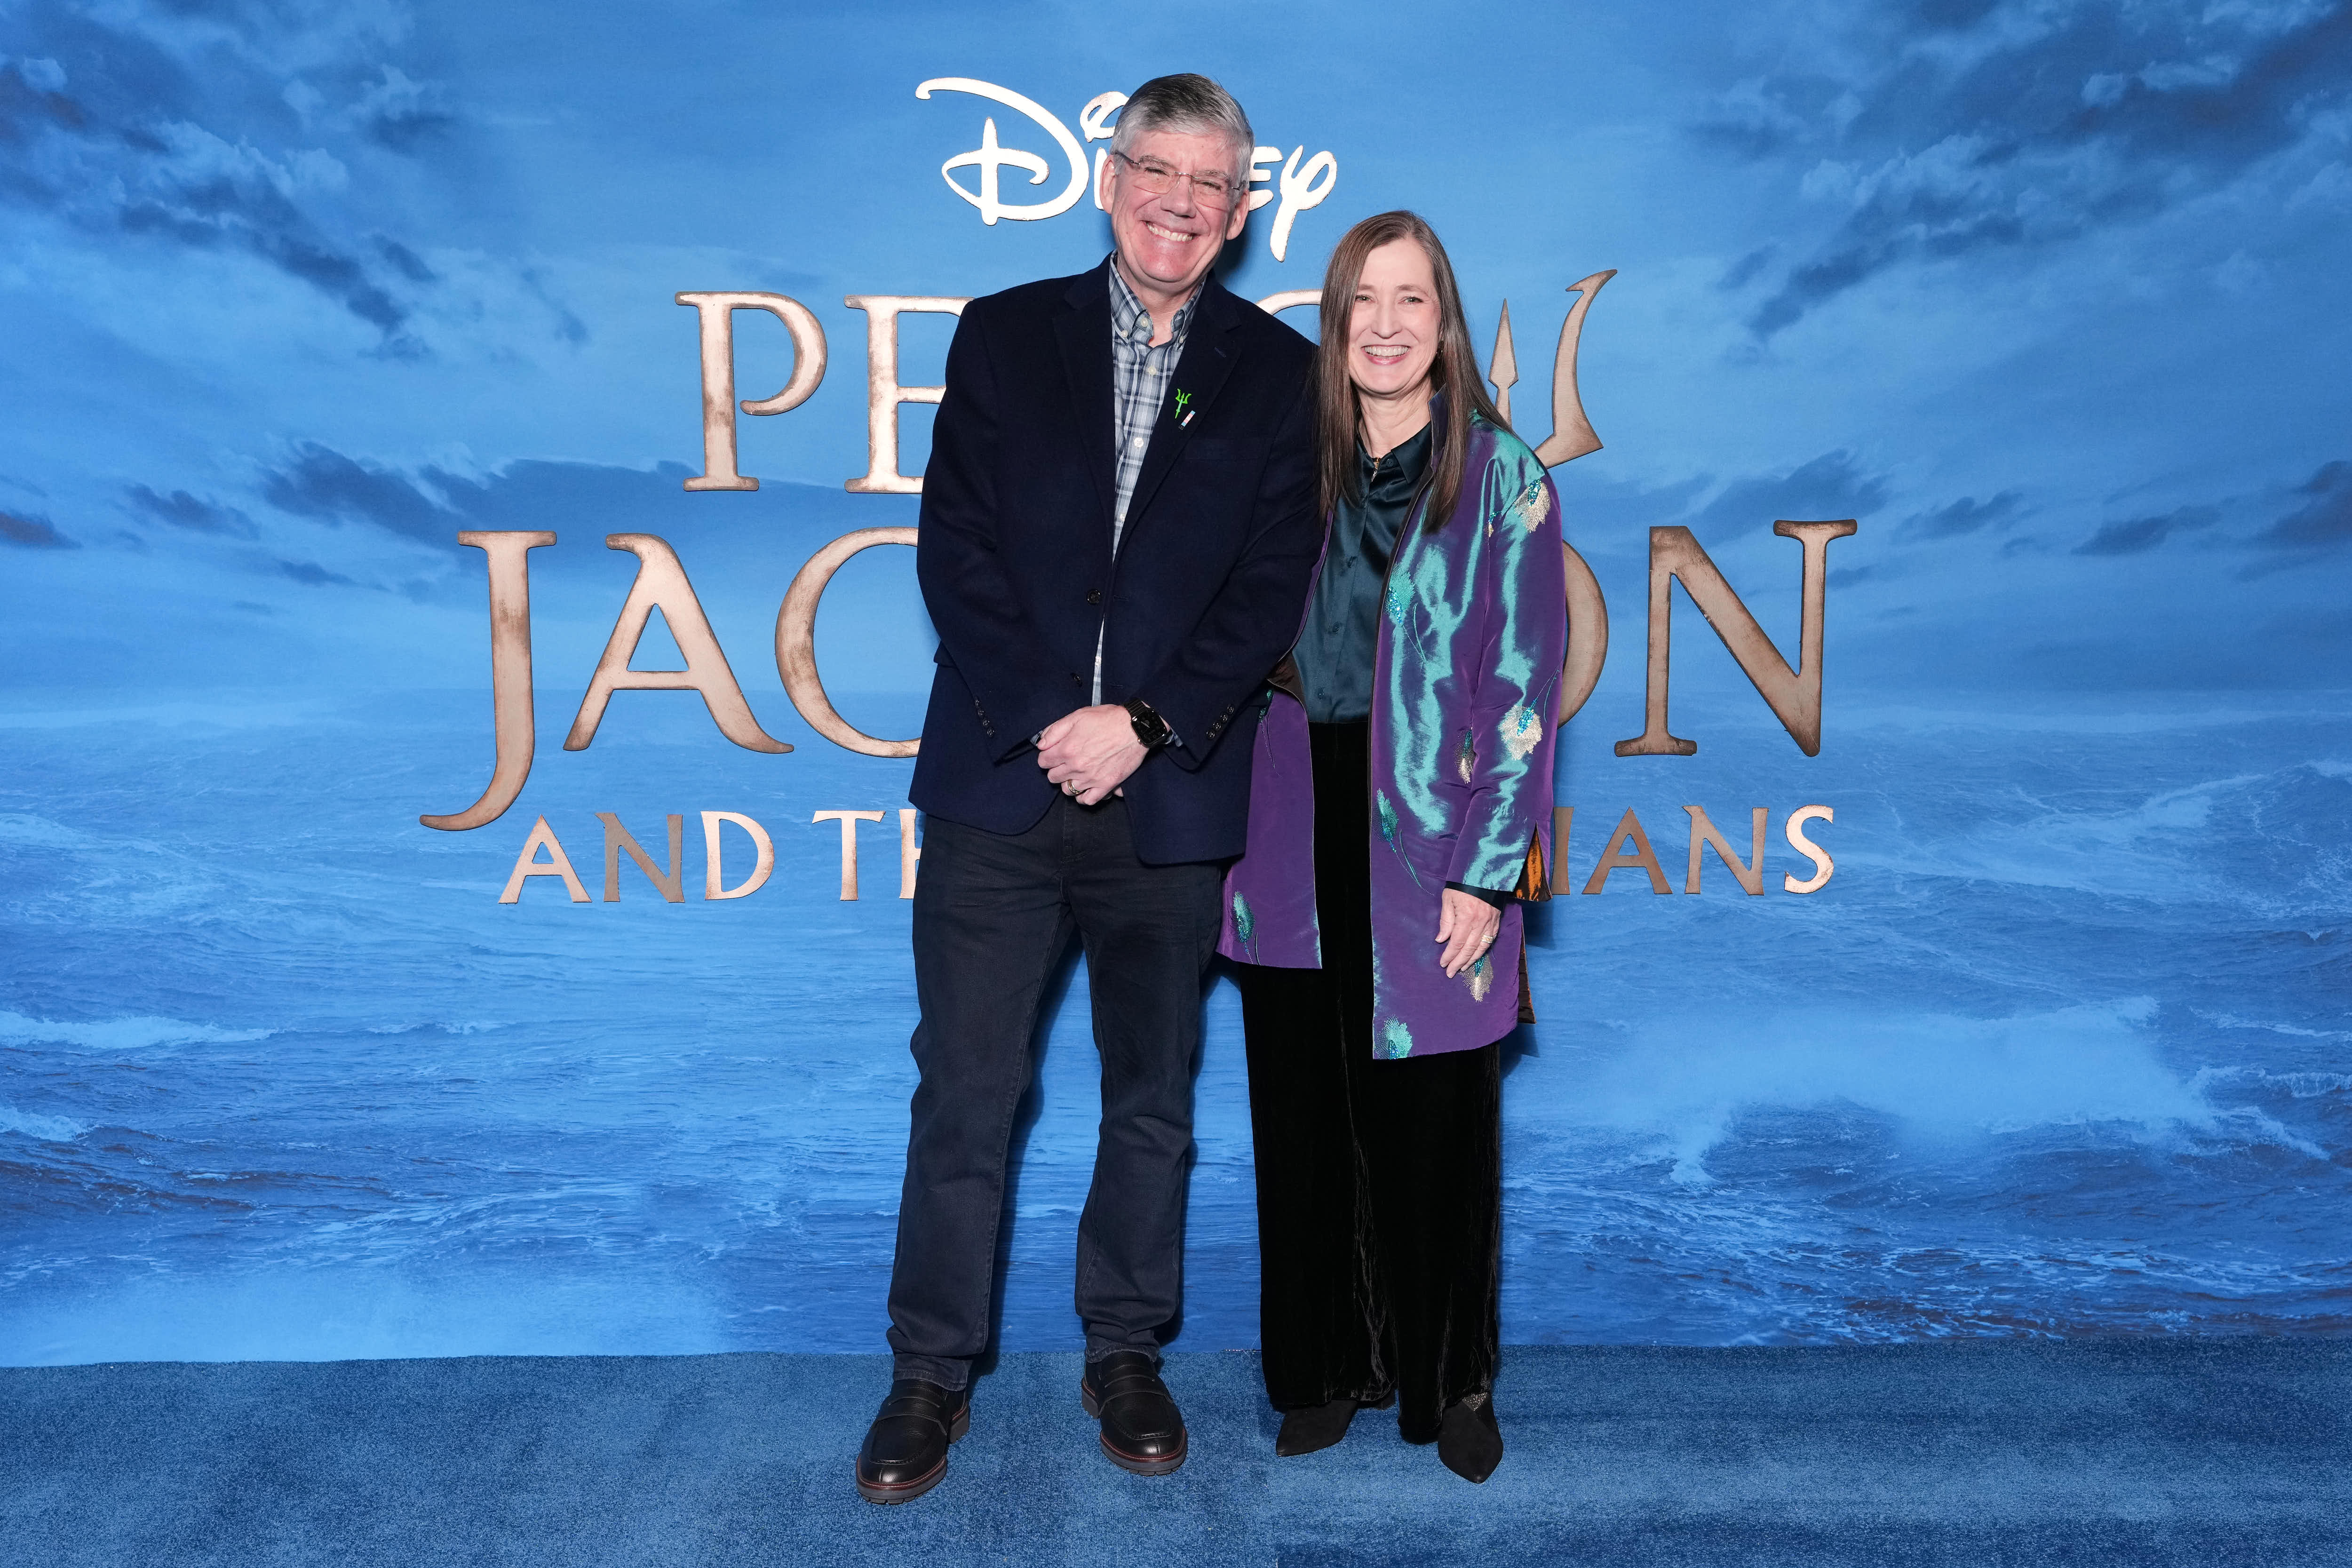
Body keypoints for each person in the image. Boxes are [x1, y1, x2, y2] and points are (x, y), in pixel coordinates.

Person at [854, 74, 1321, 1504]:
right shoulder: (1005, 333)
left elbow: (1270, 587)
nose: (1180, 202)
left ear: (1240, 210)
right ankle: (930, 1374)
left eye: (1210, 183)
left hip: (1168, 802)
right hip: (1001, 787)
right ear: (1112, 180)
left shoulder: (1280, 372)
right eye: (1157, 172)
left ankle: (1125, 1351)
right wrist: (1057, 719)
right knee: (964, 1094)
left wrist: (1148, 725)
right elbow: (955, 550)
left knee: (1152, 1100)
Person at [1218, 211, 1568, 1484]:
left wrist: (1489, 869)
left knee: (1436, 1127)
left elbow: (1522, 693)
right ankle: (1324, 1372)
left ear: (1446, 322)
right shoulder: (1284, 465)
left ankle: (1450, 1385)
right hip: (1283, 822)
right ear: (1334, 321)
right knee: (1303, 1117)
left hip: (1433, 829)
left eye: (1411, 298)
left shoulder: (1505, 479)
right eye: (1362, 299)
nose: (1385, 323)